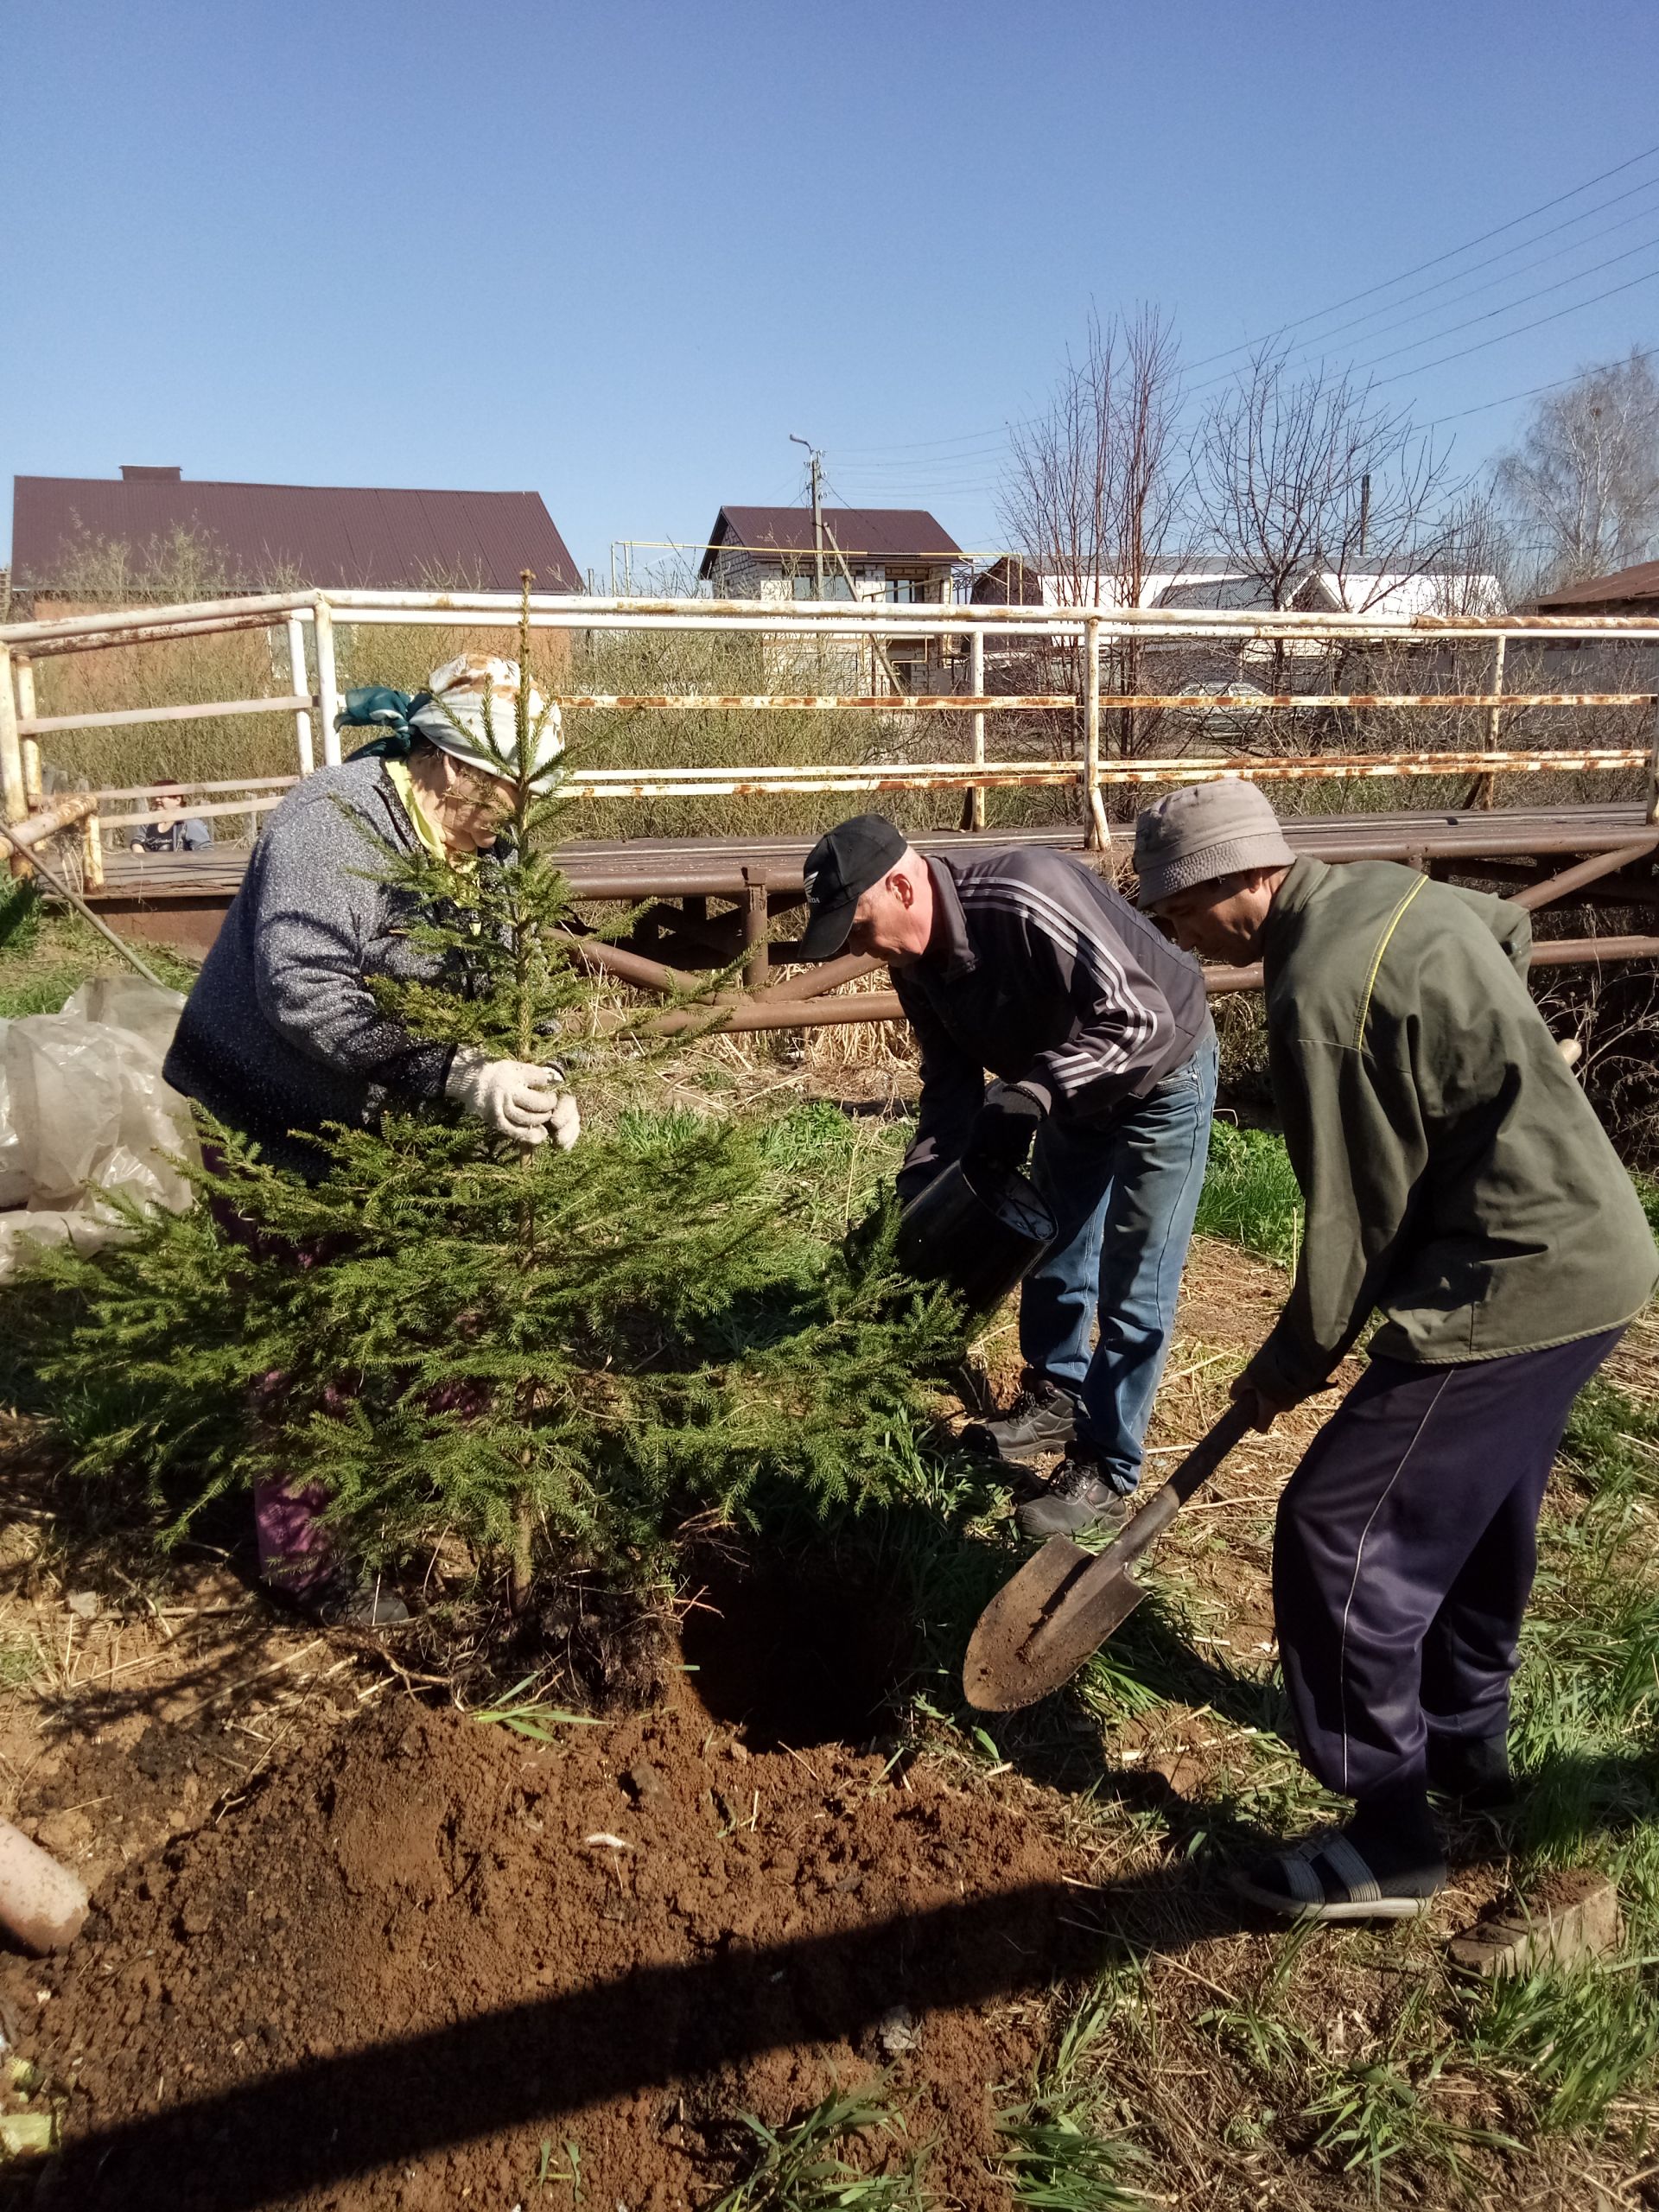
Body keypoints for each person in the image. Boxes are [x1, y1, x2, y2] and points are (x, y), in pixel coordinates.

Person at [1134, 780, 1658, 1920]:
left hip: (1510, 1281)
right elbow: (1503, 929)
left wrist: (1291, 1361)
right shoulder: (1378, 891)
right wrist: (1474, 1097)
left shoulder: (1319, 989)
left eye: (1174, 911)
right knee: (1479, 1507)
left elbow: (1350, 1222)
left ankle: (1391, 1837)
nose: (1178, 935)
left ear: (1231, 883)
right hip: (1601, 1248)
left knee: (1337, 1533)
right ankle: (1471, 1744)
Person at [163, 653, 581, 1624]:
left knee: (439, 1304)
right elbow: (303, 985)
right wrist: (458, 1074)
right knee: (310, 1342)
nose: (522, 814)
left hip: (380, 1113)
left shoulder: (490, 852)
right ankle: (307, 1567)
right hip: (271, 1111)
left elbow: (518, 988)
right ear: (457, 765)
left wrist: (552, 1075)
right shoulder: (334, 819)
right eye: (515, 791)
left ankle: (434, 1487)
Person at [798, 813, 1217, 1539]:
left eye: (859, 925)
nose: (860, 948)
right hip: (1068, 1083)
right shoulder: (916, 967)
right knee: (1053, 1242)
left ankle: (1106, 1467)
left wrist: (1033, 1093)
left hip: (1161, 1072)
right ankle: (1056, 1391)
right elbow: (949, 1090)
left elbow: (1140, 1021)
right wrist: (919, 1204)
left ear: (902, 884)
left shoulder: (1024, 893)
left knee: (1136, 1279)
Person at [128, 779, 212, 854]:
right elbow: (138, 840)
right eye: (155, 796)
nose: (157, 800)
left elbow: (205, 852)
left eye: (161, 796)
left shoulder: (191, 823)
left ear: (177, 800)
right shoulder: (149, 823)